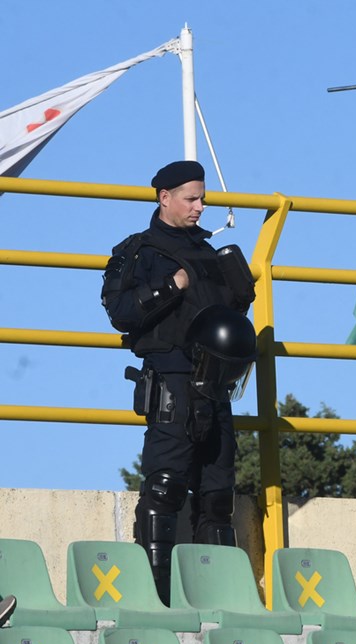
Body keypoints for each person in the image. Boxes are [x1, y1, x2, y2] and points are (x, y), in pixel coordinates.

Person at [100, 160, 256, 603]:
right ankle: (153, 597)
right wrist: (171, 285)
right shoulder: (139, 251)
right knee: (164, 486)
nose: (200, 207)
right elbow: (120, 312)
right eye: (191, 198)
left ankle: (219, 600)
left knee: (218, 496)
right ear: (164, 197)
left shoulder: (212, 254)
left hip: (217, 385)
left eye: (202, 198)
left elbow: (233, 314)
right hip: (171, 380)